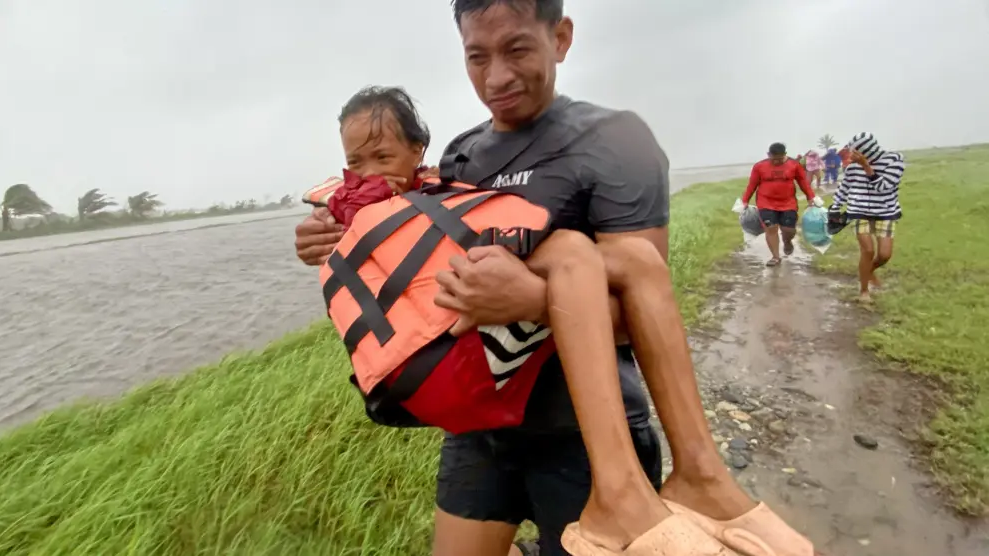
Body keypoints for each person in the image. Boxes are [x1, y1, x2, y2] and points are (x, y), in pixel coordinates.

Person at [296, 2, 812, 555]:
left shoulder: (615, 140)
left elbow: (643, 313)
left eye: (516, 49)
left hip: (584, 436)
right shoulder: (460, 155)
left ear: (561, 37)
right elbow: (416, 261)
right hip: (483, 426)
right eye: (477, 57)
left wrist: (532, 300)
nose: (496, 76)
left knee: (608, 256)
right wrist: (329, 239)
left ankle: (696, 477)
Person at [829, 132, 905, 304]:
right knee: (868, 251)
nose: (852, 156)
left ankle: (868, 271)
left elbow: (883, 187)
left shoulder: (894, 160)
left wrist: (866, 166)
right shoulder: (852, 167)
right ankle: (864, 291)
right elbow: (844, 188)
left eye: (856, 153)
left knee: (884, 255)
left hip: (885, 211)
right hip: (859, 210)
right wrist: (835, 207)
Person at [742, 143, 823, 266]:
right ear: (769, 155)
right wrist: (745, 200)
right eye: (774, 159)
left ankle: (787, 241)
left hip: (788, 203)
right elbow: (752, 184)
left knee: (788, 230)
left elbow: (803, 182)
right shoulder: (759, 166)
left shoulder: (794, 165)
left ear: (785, 154)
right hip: (766, 203)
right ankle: (775, 257)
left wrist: (810, 197)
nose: (776, 162)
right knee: (771, 228)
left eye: (780, 159)